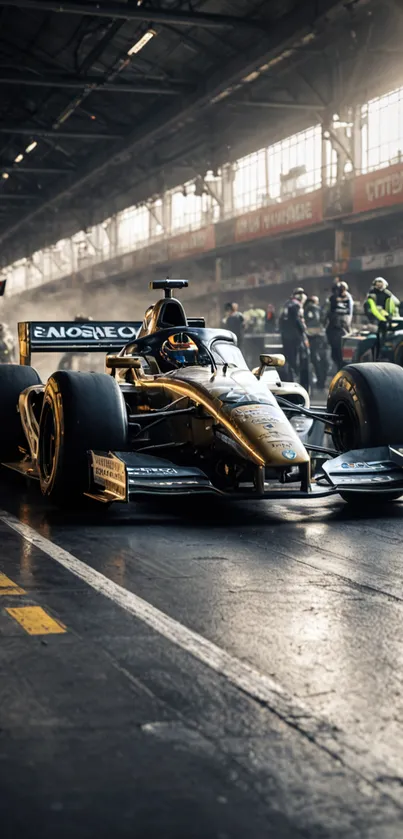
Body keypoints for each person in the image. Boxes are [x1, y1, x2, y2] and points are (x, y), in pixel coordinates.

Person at [279, 287, 310, 391]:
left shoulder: (286, 304)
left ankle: (289, 380)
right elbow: (298, 320)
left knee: (289, 359)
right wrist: (304, 331)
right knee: (298, 361)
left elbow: (281, 321)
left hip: (285, 337)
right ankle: (296, 383)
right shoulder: (296, 305)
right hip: (296, 337)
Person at [364, 277, 400, 359]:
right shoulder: (371, 295)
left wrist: (392, 318)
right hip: (374, 322)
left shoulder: (388, 294)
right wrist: (383, 319)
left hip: (387, 322)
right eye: (377, 283)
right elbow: (373, 310)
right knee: (376, 341)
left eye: (381, 283)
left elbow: (396, 305)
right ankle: (377, 357)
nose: (379, 285)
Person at [323, 280, 353, 372]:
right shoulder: (346, 298)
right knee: (337, 355)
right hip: (338, 330)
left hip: (339, 330)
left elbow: (325, 314)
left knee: (340, 355)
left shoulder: (334, 299)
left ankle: (342, 371)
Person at [304, 295, 328, 390]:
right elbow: (324, 321)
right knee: (323, 362)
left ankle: (317, 382)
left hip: (311, 339)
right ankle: (321, 383)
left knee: (314, 361)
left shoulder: (304, 310)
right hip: (320, 339)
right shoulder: (318, 309)